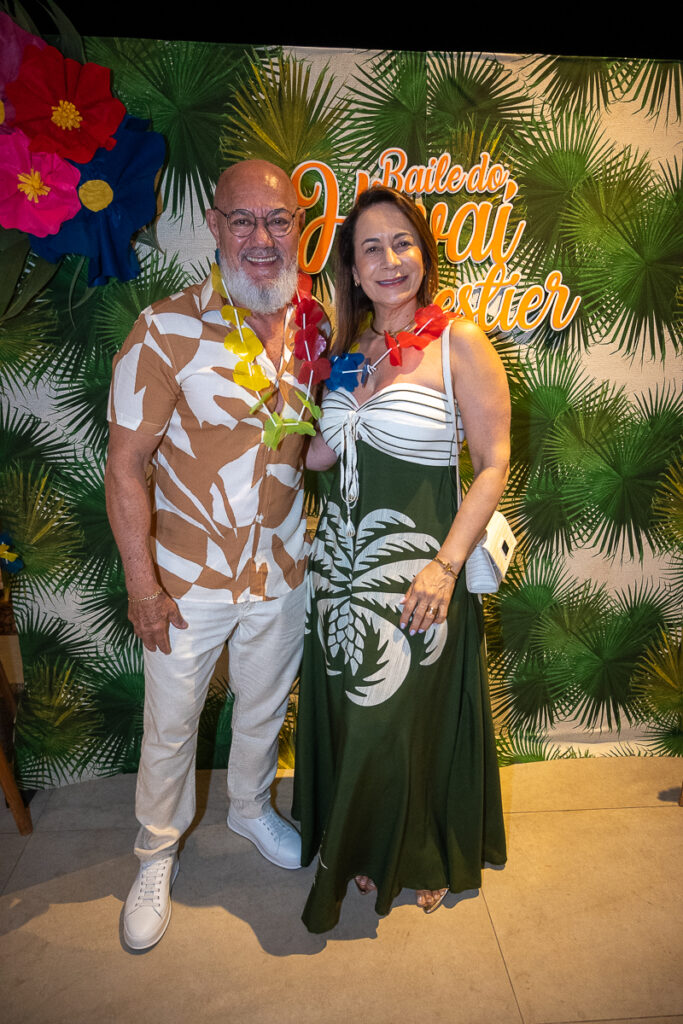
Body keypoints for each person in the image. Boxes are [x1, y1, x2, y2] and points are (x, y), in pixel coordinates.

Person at [106, 159, 316, 951]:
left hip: (282, 568)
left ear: (298, 227)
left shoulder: (315, 324)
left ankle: (250, 808)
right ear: (214, 226)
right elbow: (124, 466)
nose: (261, 238)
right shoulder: (164, 329)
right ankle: (155, 852)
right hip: (186, 578)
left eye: (277, 220)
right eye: (242, 220)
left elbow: (312, 442)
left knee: (263, 705)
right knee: (171, 724)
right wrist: (142, 586)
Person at [292, 185, 510, 932]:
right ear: (352, 270)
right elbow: (320, 456)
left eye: (402, 243)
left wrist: (445, 567)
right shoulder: (348, 355)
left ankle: (419, 851)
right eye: (371, 249)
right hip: (340, 569)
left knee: (403, 720)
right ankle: (363, 841)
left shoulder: (459, 343)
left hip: (418, 572)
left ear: (423, 254)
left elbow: (493, 463)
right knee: (356, 715)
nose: (390, 260)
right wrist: (278, 397)